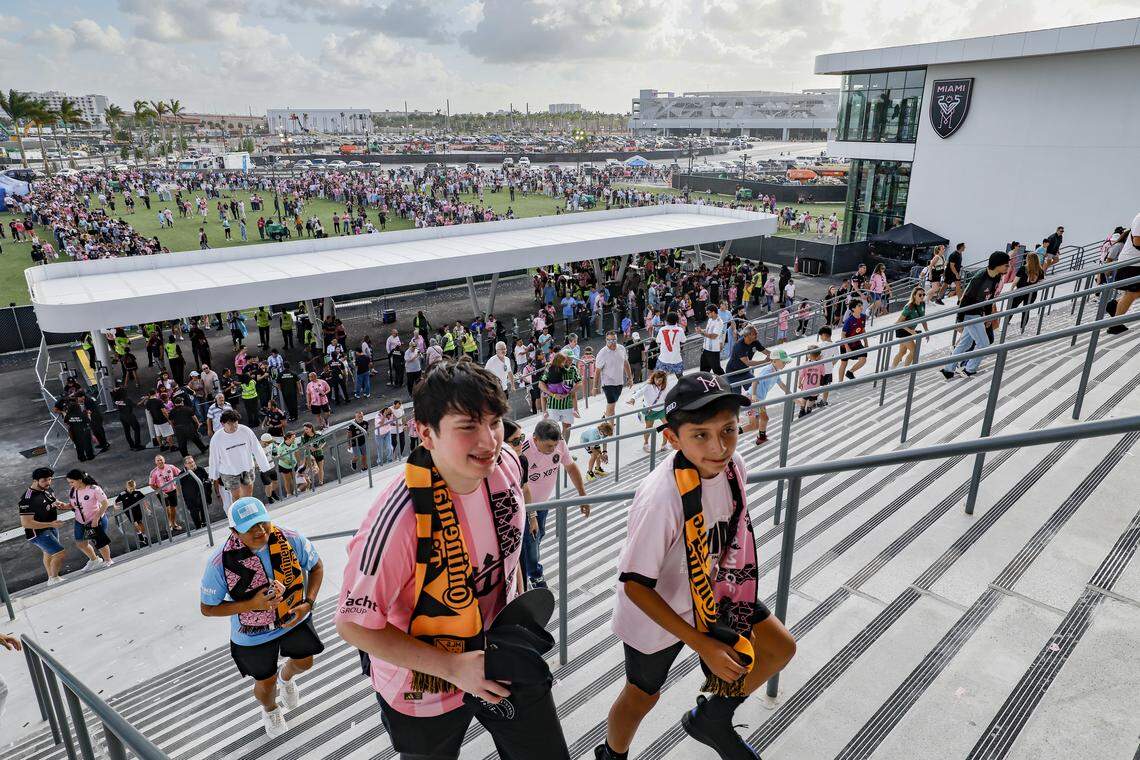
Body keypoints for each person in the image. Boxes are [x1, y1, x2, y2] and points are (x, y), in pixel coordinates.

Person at [335, 360, 570, 760]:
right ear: (426, 433)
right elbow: (353, 625)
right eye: (468, 426)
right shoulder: (397, 522)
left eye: (494, 422)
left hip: (497, 652)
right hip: (423, 683)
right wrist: (453, 668)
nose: (488, 441)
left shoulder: (506, 465)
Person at [596, 372, 795, 760]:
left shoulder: (734, 465)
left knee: (778, 648)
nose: (719, 447)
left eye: (728, 430)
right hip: (657, 611)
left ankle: (713, 719)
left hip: (715, 590)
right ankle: (611, 756)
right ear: (672, 438)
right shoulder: (660, 498)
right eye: (700, 435)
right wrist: (700, 642)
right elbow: (635, 585)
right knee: (642, 697)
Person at [200, 498, 324, 738]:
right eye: (250, 527)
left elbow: (316, 567)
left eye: (262, 522)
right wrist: (252, 604)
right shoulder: (219, 563)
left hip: (292, 616)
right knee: (265, 684)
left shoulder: (290, 538)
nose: (260, 531)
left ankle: (286, 678)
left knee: (305, 662)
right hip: (252, 635)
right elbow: (207, 608)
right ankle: (270, 709)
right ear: (235, 531)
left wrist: (307, 603)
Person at [520, 418, 590, 588]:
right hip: (526, 506)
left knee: (537, 536)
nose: (553, 450)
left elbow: (571, 468)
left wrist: (582, 496)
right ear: (535, 439)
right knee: (531, 540)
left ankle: (526, 567)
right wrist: (531, 515)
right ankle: (534, 574)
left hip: (543, 504)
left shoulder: (559, 443)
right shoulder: (523, 450)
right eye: (548, 447)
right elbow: (522, 486)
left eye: (554, 446)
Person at [941, 251, 1011, 379]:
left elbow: (989, 299)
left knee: (965, 344)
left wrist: (988, 316)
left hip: (978, 313)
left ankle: (948, 370)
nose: (1008, 268)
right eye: (1006, 265)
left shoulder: (996, 277)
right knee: (983, 344)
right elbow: (965, 299)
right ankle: (970, 369)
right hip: (970, 313)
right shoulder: (980, 277)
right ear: (998, 265)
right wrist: (960, 320)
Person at [209, 410, 274, 501]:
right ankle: (239, 513)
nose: (234, 426)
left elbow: (257, 448)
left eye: (235, 422)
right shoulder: (216, 438)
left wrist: (265, 467)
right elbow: (214, 458)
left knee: (249, 493)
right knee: (236, 496)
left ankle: (249, 511)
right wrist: (214, 475)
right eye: (230, 423)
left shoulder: (246, 431)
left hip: (247, 467)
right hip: (229, 471)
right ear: (223, 424)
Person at [19, 467, 68, 586]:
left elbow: (51, 500)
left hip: (51, 527)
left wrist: (57, 503)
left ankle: (51, 578)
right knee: (60, 553)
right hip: (38, 532)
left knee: (49, 552)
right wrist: (50, 524)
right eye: (45, 480)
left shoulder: (47, 489)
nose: (48, 482)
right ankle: (54, 578)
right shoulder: (27, 499)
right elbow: (26, 523)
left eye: (50, 479)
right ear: (35, 481)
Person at [65, 469, 114, 570]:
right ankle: (94, 560)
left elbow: (105, 504)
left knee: (100, 542)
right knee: (80, 543)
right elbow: (74, 505)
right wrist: (64, 506)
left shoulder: (94, 489)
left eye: (72, 482)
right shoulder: (73, 490)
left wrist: (96, 518)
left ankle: (108, 560)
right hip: (80, 521)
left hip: (95, 520)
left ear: (80, 480)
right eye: (69, 482)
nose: (70, 484)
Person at [1106, 211, 1140, 335]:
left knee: (1135, 293)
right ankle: (1115, 325)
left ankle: (1115, 305)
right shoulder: (1139, 218)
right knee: (1133, 293)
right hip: (1132, 263)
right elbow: (1137, 241)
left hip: (1134, 263)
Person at [750, 349, 789, 445]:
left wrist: (793, 396)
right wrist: (754, 395)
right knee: (754, 425)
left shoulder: (776, 371)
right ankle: (734, 432)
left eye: (785, 362)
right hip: (754, 398)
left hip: (760, 399)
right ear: (774, 361)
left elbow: (782, 385)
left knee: (762, 419)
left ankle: (761, 438)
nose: (785, 364)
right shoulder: (768, 370)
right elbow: (755, 381)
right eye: (783, 362)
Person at [540, 351, 580, 441]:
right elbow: (541, 384)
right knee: (552, 429)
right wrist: (553, 395)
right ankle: (554, 447)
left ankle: (564, 447)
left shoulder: (573, 369)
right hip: (553, 405)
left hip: (567, 405)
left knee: (567, 427)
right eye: (568, 359)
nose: (570, 361)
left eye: (571, 359)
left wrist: (569, 393)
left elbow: (579, 383)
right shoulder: (550, 367)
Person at [594, 330, 633, 420]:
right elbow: (597, 371)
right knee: (611, 404)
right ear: (606, 340)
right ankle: (609, 427)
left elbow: (626, 363)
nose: (612, 343)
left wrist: (630, 378)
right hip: (607, 383)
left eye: (614, 340)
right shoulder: (602, 353)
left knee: (612, 404)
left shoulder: (622, 348)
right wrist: (595, 387)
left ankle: (606, 416)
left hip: (619, 382)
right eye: (610, 340)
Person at [892, 286, 929, 368]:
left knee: (902, 352)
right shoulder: (909, 307)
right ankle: (905, 369)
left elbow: (923, 318)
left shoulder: (922, 304)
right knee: (914, 351)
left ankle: (892, 369)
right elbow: (898, 322)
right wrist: (910, 331)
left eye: (923, 294)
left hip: (910, 330)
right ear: (914, 295)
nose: (922, 296)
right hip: (903, 329)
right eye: (920, 295)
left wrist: (927, 331)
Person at [149, 454, 184, 532]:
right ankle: (169, 524)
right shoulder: (153, 472)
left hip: (172, 490)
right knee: (167, 509)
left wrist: (178, 486)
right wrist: (160, 491)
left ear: (164, 460)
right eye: (158, 460)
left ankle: (173, 523)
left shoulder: (170, 467)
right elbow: (151, 484)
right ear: (155, 462)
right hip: (162, 493)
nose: (160, 461)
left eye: (161, 459)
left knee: (173, 508)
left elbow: (180, 474)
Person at [837, 300, 868, 381]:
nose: (861, 307)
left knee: (863, 358)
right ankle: (840, 382)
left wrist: (866, 342)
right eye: (859, 306)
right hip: (845, 344)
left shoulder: (863, 317)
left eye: (861, 305)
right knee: (844, 363)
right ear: (853, 309)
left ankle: (850, 372)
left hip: (857, 343)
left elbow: (863, 330)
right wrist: (847, 348)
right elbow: (843, 334)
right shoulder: (849, 320)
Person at [181, 455, 214, 529]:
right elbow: (179, 486)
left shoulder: (200, 469)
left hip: (202, 494)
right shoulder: (182, 474)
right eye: (189, 463)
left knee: (204, 509)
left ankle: (204, 523)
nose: (192, 464)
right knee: (194, 513)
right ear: (185, 465)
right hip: (190, 498)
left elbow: (207, 479)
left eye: (192, 462)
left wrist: (207, 485)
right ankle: (198, 527)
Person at [115, 479, 150, 547]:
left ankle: (144, 535)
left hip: (137, 509)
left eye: (133, 488)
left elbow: (144, 500)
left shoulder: (137, 492)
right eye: (130, 488)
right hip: (128, 511)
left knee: (140, 522)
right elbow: (116, 501)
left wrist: (147, 509)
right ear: (127, 486)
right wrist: (115, 506)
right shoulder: (122, 494)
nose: (132, 490)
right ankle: (140, 535)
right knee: (134, 523)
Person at [655, 312, 686, 377]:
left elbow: (658, 341)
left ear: (667, 320)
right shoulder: (680, 330)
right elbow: (683, 341)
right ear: (677, 320)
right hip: (676, 358)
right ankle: (683, 386)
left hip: (663, 358)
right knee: (680, 377)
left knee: (659, 377)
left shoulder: (662, 329)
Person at [697, 304, 725, 375]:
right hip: (706, 348)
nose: (706, 314)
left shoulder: (719, 322)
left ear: (713, 312)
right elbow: (707, 331)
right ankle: (704, 383)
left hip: (713, 350)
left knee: (717, 369)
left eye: (708, 313)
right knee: (703, 369)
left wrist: (702, 333)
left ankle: (726, 382)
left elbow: (713, 336)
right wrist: (701, 330)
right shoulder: (710, 320)